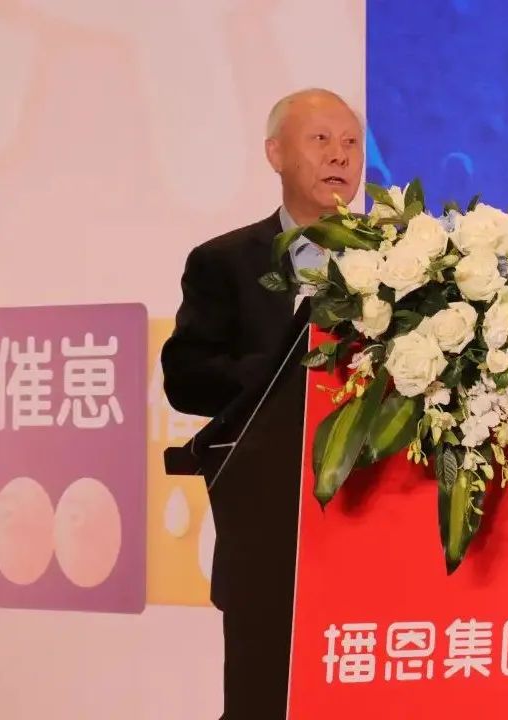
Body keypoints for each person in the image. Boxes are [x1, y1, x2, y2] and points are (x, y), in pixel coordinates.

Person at [161, 88, 364, 719]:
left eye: (351, 143)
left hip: (376, 531)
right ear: (275, 153)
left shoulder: (406, 261)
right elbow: (185, 377)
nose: (339, 156)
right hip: (270, 538)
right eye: (320, 139)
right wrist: (289, 374)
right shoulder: (223, 263)